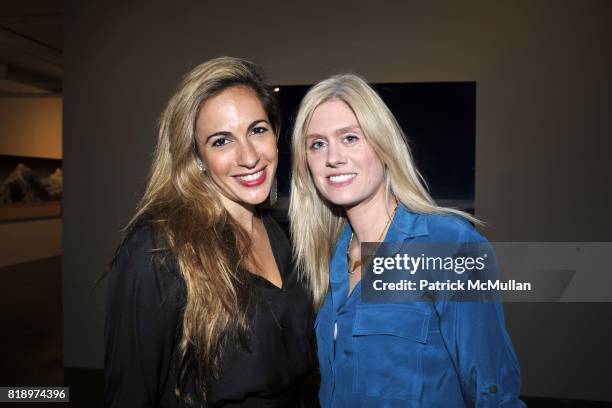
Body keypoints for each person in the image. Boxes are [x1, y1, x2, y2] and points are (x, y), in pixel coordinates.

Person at [289, 73, 525, 407]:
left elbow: (493, 394)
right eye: (317, 144)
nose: (333, 157)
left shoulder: (447, 245)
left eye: (351, 138)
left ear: (383, 146)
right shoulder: (329, 256)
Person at [104, 57, 314, 407]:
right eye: (221, 141)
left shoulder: (282, 237)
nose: (249, 156)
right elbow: (129, 394)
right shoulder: (158, 249)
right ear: (197, 157)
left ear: (276, 135)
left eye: (257, 130)